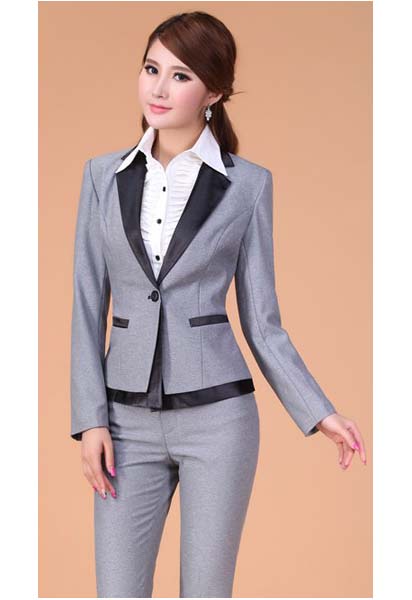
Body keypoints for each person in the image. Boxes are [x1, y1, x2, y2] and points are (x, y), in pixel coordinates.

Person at [70, 11, 367, 598]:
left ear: (214, 93)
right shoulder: (102, 176)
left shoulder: (248, 185)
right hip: (124, 425)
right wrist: (90, 420)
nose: (159, 88)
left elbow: (262, 320)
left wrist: (318, 411)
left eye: (180, 76)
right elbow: (85, 303)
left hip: (219, 422)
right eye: (151, 69)